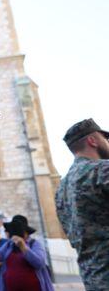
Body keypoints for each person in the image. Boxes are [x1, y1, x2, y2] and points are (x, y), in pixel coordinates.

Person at [56, 118, 109, 290]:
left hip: (93, 279)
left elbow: (72, 237)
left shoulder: (61, 190)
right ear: (92, 141)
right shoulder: (102, 170)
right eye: (105, 139)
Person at [0, 215, 53, 291]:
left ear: (26, 232)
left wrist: (23, 247)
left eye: (18, 230)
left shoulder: (34, 243)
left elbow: (39, 263)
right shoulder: (9, 244)